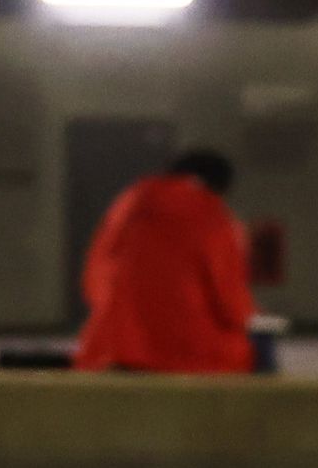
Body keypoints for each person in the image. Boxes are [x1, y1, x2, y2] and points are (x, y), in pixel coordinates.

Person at [73, 148, 255, 376]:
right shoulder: (212, 214)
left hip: (116, 350)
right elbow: (228, 296)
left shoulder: (129, 203)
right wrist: (247, 318)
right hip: (191, 354)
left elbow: (95, 277)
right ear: (219, 185)